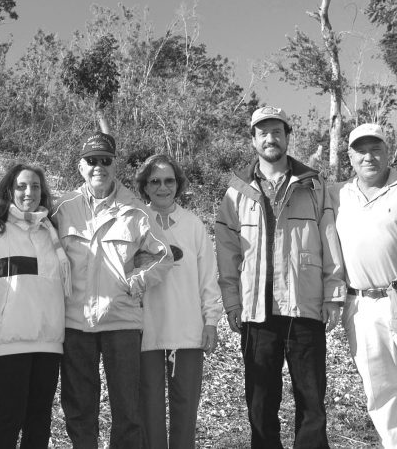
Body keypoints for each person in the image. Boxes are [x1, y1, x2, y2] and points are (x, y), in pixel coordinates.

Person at [215, 106, 345, 449]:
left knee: (312, 400)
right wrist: (231, 301)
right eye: (263, 133)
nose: (270, 138)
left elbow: (329, 240)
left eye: (277, 132)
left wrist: (333, 293)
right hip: (256, 311)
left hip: (304, 305)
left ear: (288, 136)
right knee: (259, 401)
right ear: (253, 140)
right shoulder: (237, 191)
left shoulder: (314, 185)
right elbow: (228, 252)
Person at [52, 131, 173, 449]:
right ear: (81, 166)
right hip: (75, 323)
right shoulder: (63, 207)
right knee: (79, 410)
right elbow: (38, 238)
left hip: (122, 323)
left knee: (127, 412)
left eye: (105, 161)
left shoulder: (135, 210)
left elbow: (164, 255)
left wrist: (137, 282)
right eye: (92, 161)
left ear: (114, 165)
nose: (98, 167)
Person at [0, 163, 69, 448]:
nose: (29, 192)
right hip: (10, 341)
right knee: (9, 416)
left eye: (35, 186)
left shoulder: (52, 232)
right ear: (9, 190)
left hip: (49, 343)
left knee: (40, 420)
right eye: (22, 186)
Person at [135, 154, 223, 449]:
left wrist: (211, 321)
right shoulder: (133, 220)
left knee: (185, 410)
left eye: (169, 180)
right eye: (155, 181)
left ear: (179, 184)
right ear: (145, 186)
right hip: (145, 331)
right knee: (149, 410)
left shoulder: (193, 225)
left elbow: (208, 278)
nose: (163, 187)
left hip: (186, 332)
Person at [330, 123, 397, 448]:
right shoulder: (337, 193)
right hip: (359, 306)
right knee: (380, 389)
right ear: (350, 156)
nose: (369, 157)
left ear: (389, 152)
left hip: (395, 296)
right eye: (361, 150)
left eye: (376, 149)